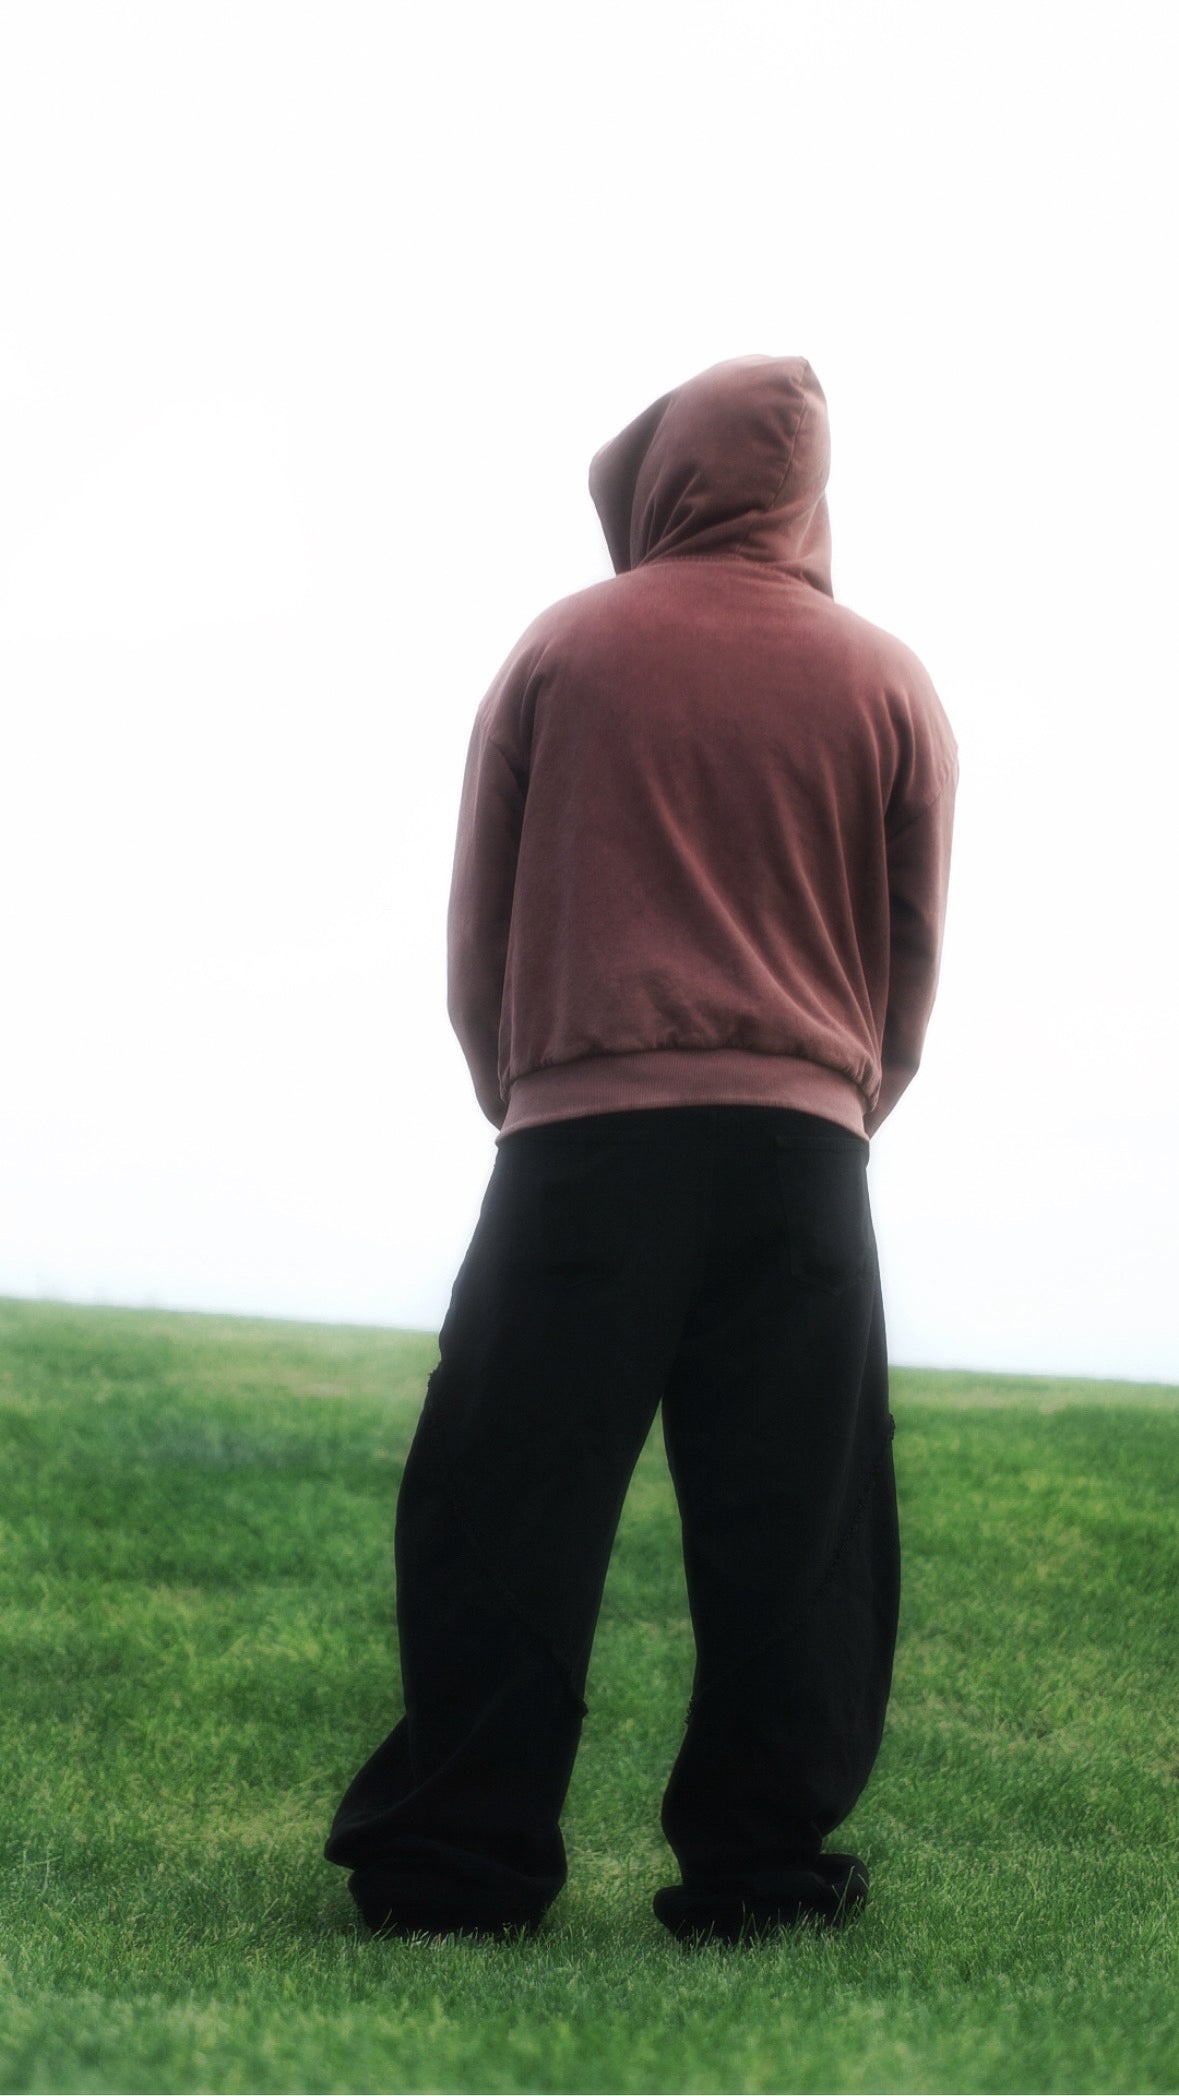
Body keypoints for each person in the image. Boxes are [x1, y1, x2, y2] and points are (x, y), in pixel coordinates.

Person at [324, 355, 958, 1944]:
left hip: (582, 1146)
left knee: (502, 1505)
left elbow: (480, 928)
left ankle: (458, 1863)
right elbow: (909, 957)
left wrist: (523, 1091)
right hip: (804, 1156)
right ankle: (761, 1874)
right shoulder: (889, 682)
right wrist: (841, 1103)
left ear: (661, 471)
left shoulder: (566, 647)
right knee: (798, 1530)